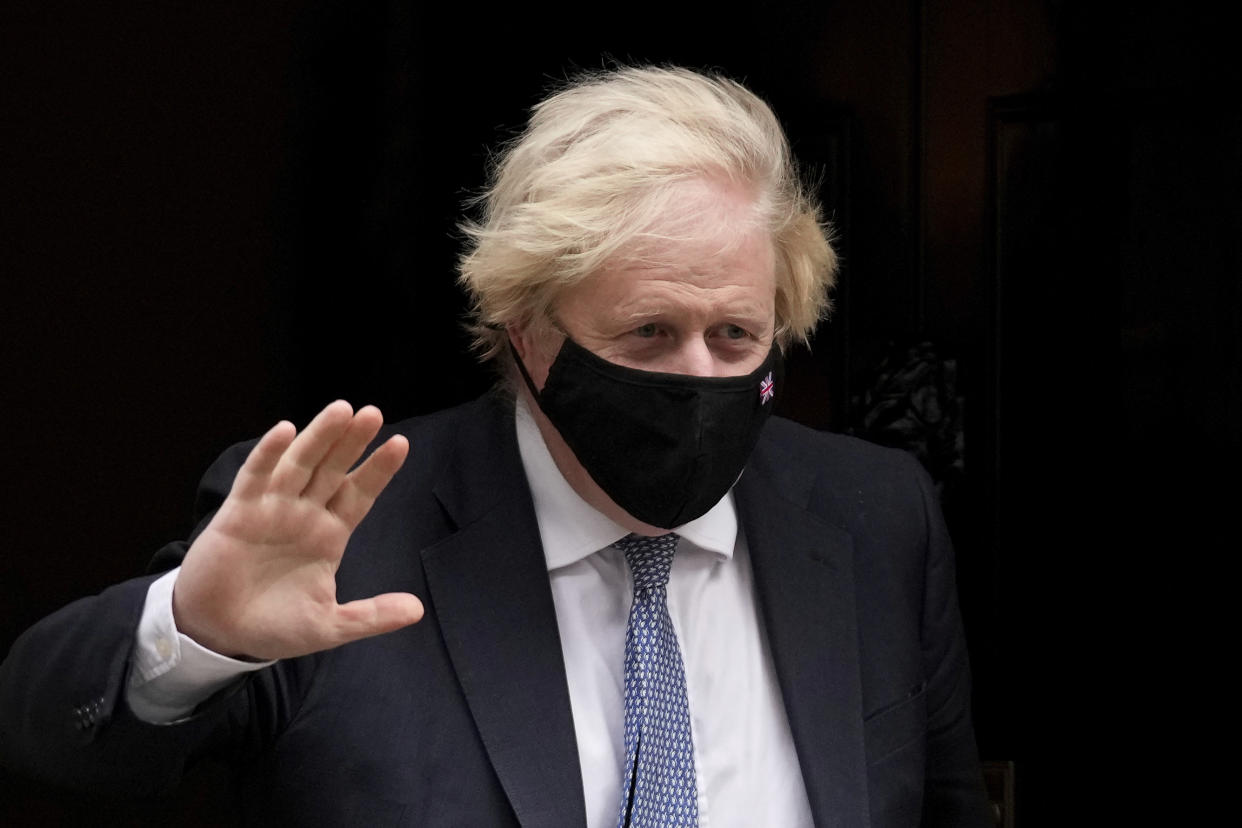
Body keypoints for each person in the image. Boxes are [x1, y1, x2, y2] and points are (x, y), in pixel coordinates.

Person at [0, 66, 989, 827]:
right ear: (527, 328)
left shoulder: (875, 519)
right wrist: (191, 636)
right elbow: (44, 740)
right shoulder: (343, 528)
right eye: (647, 332)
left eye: (735, 336)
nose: (696, 377)